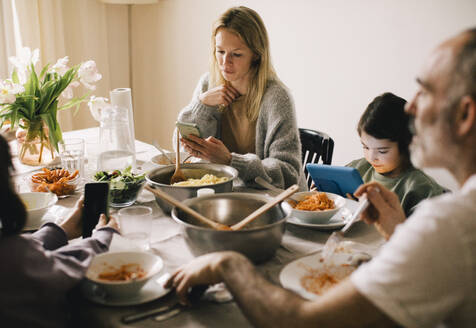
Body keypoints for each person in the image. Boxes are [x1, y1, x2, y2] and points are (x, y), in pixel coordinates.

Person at [164, 28, 476, 327]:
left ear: (464, 115)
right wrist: (400, 233)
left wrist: (227, 264)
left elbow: (303, 322)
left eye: (427, 91)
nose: (411, 106)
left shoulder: (449, 223)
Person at [0, 125, 119, 327]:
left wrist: (59, 231)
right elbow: (66, 270)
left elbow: (26, 255)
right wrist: (101, 238)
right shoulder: (6, 262)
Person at [175, 6, 306, 190]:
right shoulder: (208, 84)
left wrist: (230, 160)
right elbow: (180, 148)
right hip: (224, 194)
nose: (225, 62)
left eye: (236, 54)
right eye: (220, 52)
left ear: (256, 55)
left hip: (272, 201)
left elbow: (288, 173)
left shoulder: (276, 98)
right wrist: (202, 104)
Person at [347, 92, 445, 215]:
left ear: (406, 146)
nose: (371, 158)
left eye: (382, 151)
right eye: (365, 147)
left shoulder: (420, 190)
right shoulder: (356, 170)